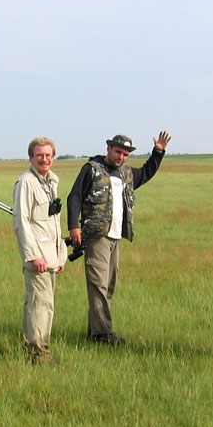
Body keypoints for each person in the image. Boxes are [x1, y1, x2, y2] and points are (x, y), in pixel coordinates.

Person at [67, 131, 171, 344]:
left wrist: (158, 153)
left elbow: (147, 172)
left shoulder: (126, 174)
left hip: (116, 237)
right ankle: (103, 334)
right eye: (118, 152)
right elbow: (74, 196)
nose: (121, 157)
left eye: (125, 154)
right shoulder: (92, 170)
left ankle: (94, 332)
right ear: (108, 149)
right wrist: (73, 226)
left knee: (109, 284)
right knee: (98, 284)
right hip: (97, 236)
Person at [12, 137, 67, 365]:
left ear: (53, 157)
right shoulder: (26, 183)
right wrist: (34, 255)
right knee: (41, 305)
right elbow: (21, 222)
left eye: (48, 155)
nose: (44, 159)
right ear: (31, 157)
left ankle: (31, 349)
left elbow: (53, 224)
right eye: (39, 155)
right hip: (38, 258)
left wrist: (60, 254)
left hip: (50, 256)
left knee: (38, 303)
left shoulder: (50, 182)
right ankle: (39, 354)